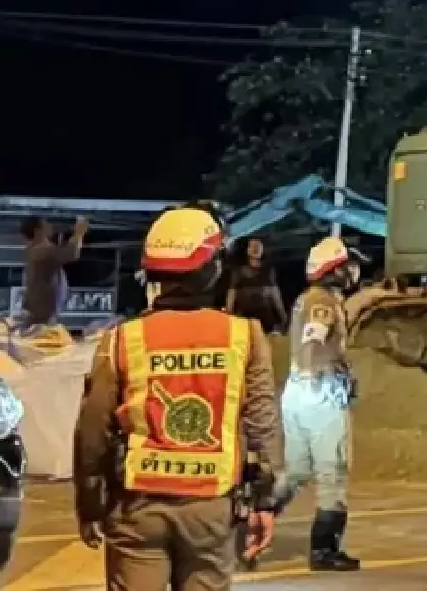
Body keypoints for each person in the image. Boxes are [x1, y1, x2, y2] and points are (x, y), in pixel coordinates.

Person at [72, 206, 282, 590]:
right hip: (211, 511)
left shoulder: (122, 339)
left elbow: (93, 432)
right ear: (213, 268)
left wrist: (89, 504)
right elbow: (262, 426)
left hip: (137, 510)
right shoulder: (246, 336)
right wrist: (265, 501)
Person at [273, 236, 364, 571]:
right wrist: (333, 376)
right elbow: (314, 342)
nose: (354, 272)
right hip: (319, 394)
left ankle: (256, 514)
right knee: (333, 472)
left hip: (297, 392)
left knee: (296, 471)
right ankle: (324, 550)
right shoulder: (322, 302)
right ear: (335, 269)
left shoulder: (306, 298)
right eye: (348, 266)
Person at [22, 215, 89, 326]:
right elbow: (71, 253)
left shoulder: (35, 248)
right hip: (42, 312)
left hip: (41, 310)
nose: (50, 226)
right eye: (46, 224)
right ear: (38, 230)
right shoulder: (40, 250)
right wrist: (79, 233)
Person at [223, 238, 287, 336]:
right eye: (252, 246)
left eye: (258, 246)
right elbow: (231, 294)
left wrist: (283, 316)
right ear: (247, 250)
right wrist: (228, 314)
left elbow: (275, 295)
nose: (256, 248)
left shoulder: (268, 271)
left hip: (265, 317)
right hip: (245, 315)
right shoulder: (238, 272)